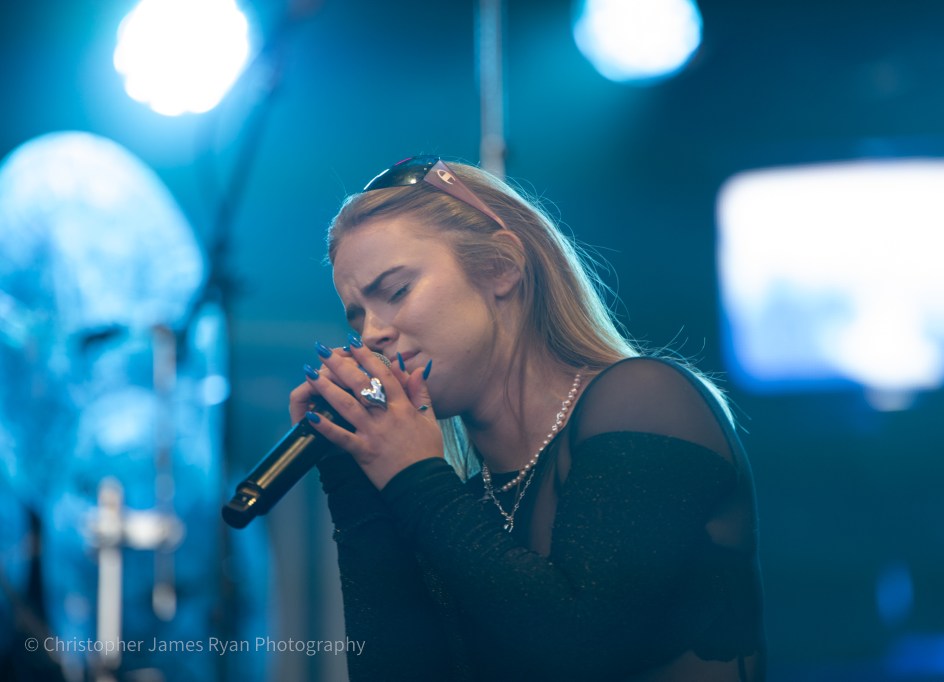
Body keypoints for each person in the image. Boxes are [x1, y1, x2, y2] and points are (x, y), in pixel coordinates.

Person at [288, 156, 765, 681]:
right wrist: (353, 485)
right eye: (357, 315)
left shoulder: (647, 400)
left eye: (397, 291)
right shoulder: (460, 502)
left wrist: (414, 477)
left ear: (500, 267)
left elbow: (580, 648)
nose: (372, 334)